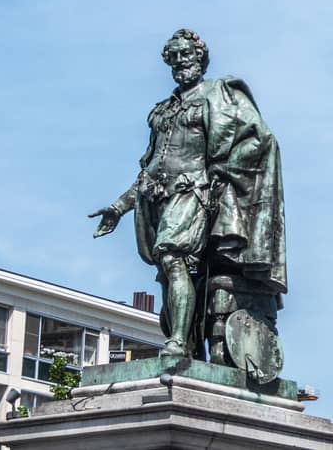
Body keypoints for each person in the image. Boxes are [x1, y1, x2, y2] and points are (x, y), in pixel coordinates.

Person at [90, 30, 287, 367]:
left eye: (187, 55)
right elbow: (151, 166)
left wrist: (222, 171)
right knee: (169, 273)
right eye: (174, 57)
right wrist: (120, 206)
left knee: (172, 257)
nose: (180, 62)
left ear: (200, 59)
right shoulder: (163, 111)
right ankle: (187, 344)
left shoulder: (221, 95)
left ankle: (178, 343)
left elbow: (262, 139)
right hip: (158, 197)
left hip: (194, 191)